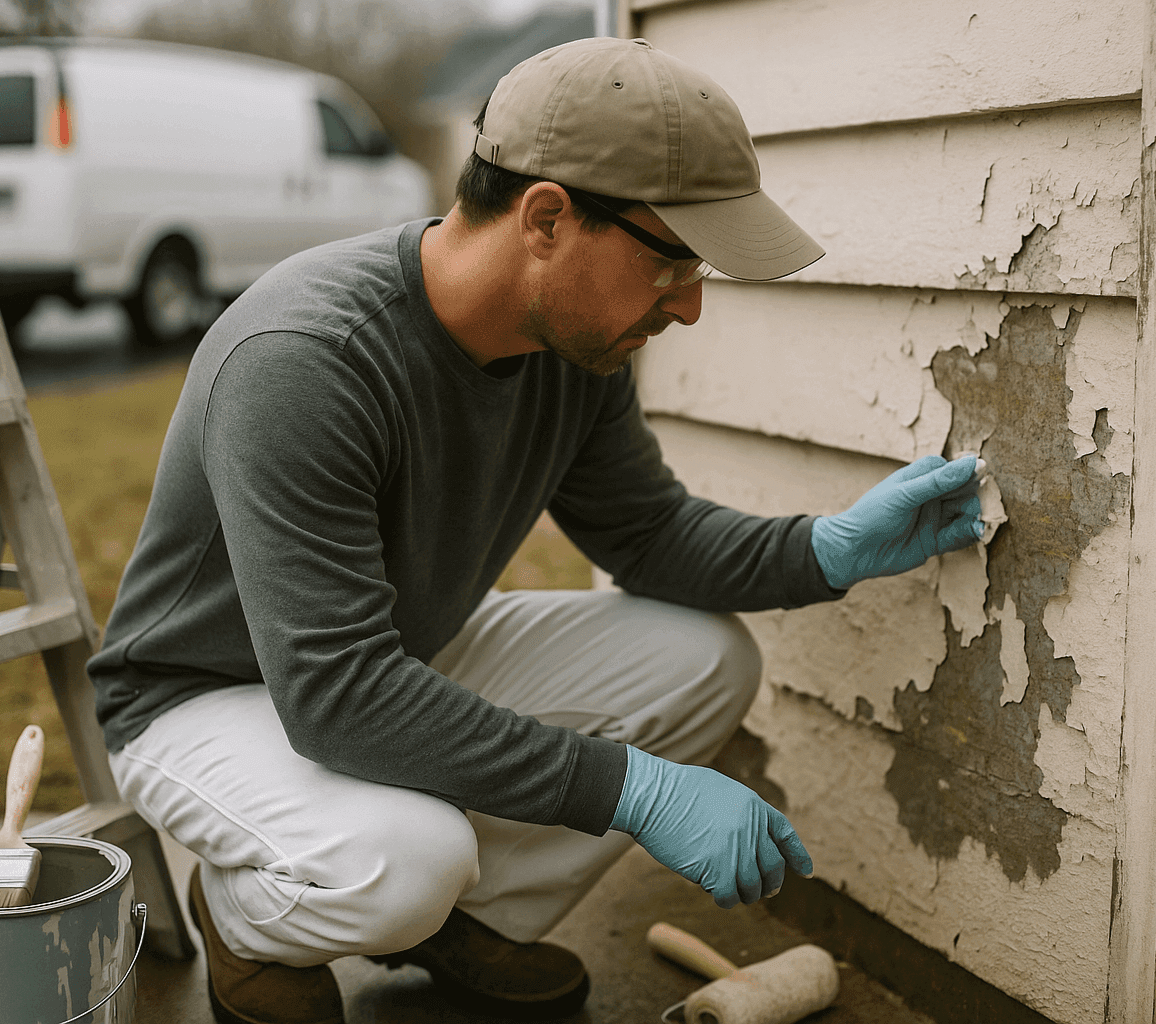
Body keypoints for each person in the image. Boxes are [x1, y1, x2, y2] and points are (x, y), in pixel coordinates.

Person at [87, 36, 984, 1024]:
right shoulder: (306, 359)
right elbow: (335, 699)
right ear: (548, 217)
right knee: (405, 854)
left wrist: (825, 550)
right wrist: (632, 788)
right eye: (673, 260)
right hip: (204, 695)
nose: (688, 305)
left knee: (705, 658)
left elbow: (645, 534)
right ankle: (251, 920)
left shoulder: (575, 347)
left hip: (382, 656)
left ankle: (456, 923)